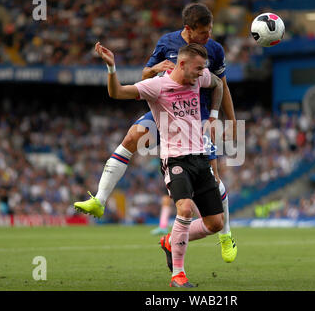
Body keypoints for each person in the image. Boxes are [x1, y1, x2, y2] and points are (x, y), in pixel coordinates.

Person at [74, 3, 237, 263]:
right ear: (188, 30)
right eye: (203, 33)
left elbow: (221, 86)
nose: (208, 37)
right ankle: (100, 200)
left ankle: (225, 234)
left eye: (210, 31)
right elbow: (145, 74)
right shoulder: (167, 42)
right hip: (165, 109)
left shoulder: (215, 50)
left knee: (213, 177)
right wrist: (154, 69)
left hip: (198, 117)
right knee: (131, 137)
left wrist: (228, 120)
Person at [94, 41, 225, 288]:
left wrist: (214, 117)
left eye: (202, 70)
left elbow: (217, 84)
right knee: (184, 209)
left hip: (200, 158)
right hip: (175, 160)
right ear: (182, 64)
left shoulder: (200, 76)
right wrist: (112, 68)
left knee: (215, 224)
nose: (200, 75)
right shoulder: (158, 86)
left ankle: (170, 241)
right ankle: (178, 275)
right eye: (197, 69)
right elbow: (117, 93)